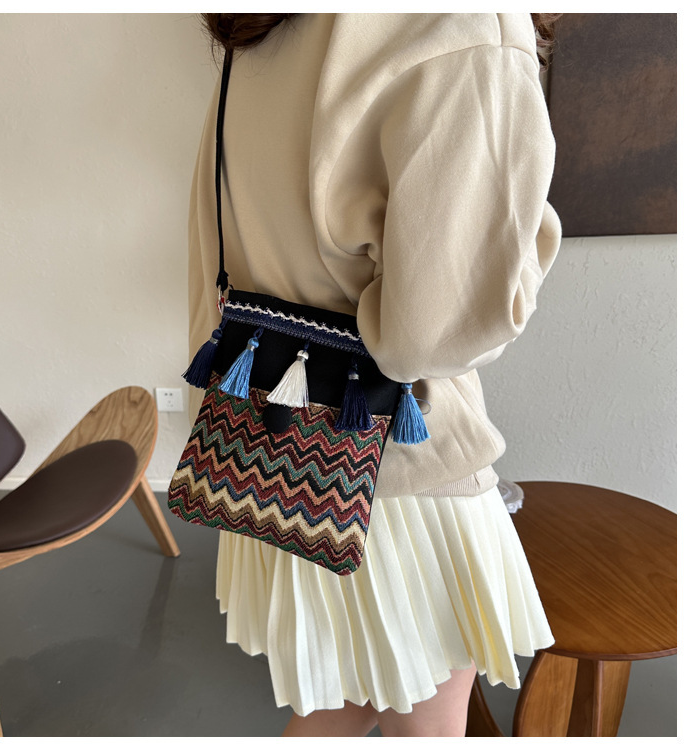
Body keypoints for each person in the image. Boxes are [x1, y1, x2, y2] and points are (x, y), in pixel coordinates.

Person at [185, 12, 562, 737]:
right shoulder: (463, 24)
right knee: (422, 724)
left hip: (268, 442)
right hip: (396, 468)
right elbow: (436, 329)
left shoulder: (263, 20)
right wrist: (531, 238)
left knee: (339, 706)